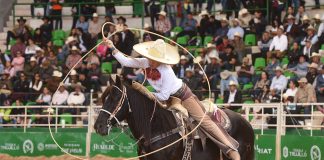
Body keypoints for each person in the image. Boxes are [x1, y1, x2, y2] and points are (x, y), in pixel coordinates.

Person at [104, 38, 240, 159]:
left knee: (203, 120)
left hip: (183, 96)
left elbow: (163, 96)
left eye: (154, 59)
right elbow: (126, 61)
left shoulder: (166, 71)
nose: (150, 61)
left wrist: (143, 92)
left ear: (160, 60)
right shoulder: (146, 62)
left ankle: (230, 149)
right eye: (150, 58)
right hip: (164, 97)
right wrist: (112, 47)